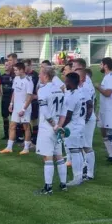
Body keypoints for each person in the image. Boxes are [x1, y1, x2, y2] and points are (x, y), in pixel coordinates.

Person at [35, 66, 66, 195]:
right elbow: (64, 110)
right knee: (58, 155)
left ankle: (48, 187)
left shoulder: (43, 90)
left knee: (47, 157)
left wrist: (53, 125)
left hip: (47, 127)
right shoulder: (59, 90)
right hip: (58, 125)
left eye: (40, 74)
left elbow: (45, 111)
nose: (39, 76)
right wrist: (59, 125)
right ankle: (63, 184)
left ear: (46, 76)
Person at [0, 62, 33, 155]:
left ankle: (26, 148)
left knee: (26, 127)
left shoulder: (28, 81)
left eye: (16, 70)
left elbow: (30, 96)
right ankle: (9, 147)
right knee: (12, 126)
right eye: (14, 70)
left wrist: (23, 109)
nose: (15, 71)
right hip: (16, 107)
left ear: (22, 70)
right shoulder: (16, 78)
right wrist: (11, 104)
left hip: (24, 107)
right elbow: (14, 92)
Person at [58, 72, 86, 186]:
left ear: (71, 82)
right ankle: (79, 177)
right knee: (78, 151)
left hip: (73, 127)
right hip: (80, 124)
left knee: (75, 152)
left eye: (66, 81)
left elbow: (68, 116)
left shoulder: (73, 96)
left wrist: (60, 126)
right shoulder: (79, 93)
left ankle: (77, 178)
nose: (65, 83)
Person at [94, 57, 112, 165]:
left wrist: (98, 87)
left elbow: (108, 93)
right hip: (104, 109)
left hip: (110, 109)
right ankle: (110, 155)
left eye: (101, 64)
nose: (100, 66)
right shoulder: (106, 77)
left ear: (105, 65)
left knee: (111, 133)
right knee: (103, 131)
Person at [76, 68, 96, 180]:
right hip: (81, 120)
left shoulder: (85, 88)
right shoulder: (78, 88)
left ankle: (90, 173)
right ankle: (84, 168)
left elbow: (90, 105)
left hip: (87, 120)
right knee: (81, 146)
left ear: (83, 78)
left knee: (87, 146)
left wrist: (86, 120)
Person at [24, 59, 39, 145]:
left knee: (34, 120)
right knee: (26, 120)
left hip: (33, 101)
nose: (24, 68)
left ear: (30, 66)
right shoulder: (24, 75)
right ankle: (28, 140)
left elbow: (38, 87)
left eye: (26, 66)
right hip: (25, 100)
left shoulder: (35, 75)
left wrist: (35, 96)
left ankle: (34, 141)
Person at [0, 60, 14, 140]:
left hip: (12, 99)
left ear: (11, 66)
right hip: (4, 99)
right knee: (5, 116)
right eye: (5, 65)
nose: (6, 66)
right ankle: (6, 134)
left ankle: (14, 134)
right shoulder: (2, 76)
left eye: (7, 65)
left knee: (13, 117)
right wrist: (1, 93)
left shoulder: (14, 76)